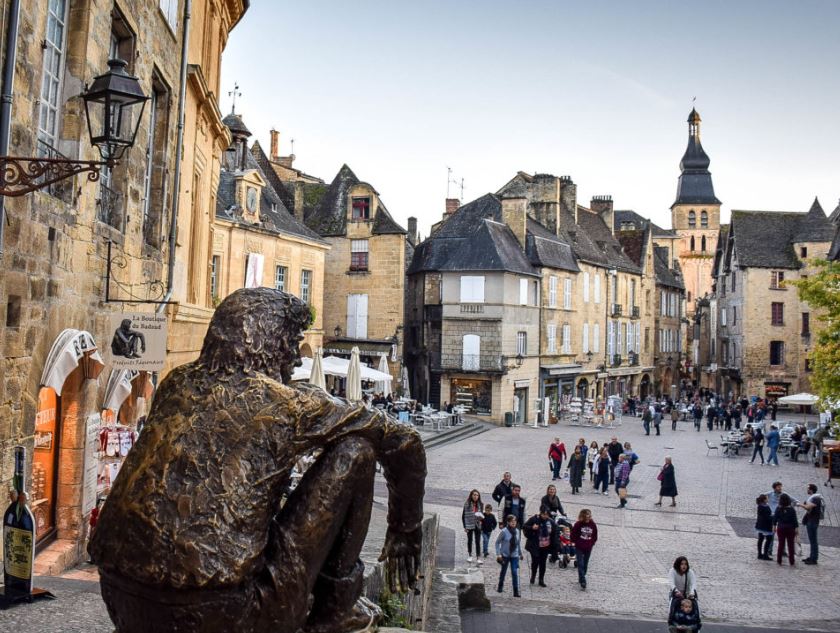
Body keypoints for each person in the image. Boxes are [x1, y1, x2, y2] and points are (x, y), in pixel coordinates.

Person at [89, 288, 425, 633]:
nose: (296, 360)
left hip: (122, 600)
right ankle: (334, 610)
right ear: (272, 344)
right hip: (225, 615)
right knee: (358, 452)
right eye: (292, 344)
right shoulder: (285, 406)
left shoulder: (176, 383)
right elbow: (405, 440)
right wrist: (406, 529)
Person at [524, 507, 556, 587]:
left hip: (545, 546)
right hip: (535, 545)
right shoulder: (534, 519)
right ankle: (533, 576)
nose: (545, 516)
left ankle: (541, 579)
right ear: (540, 513)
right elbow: (524, 526)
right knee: (535, 562)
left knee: (543, 563)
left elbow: (554, 534)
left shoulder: (551, 522)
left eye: (547, 515)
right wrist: (532, 528)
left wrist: (555, 547)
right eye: (544, 514)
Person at [570, 509, 597, 590]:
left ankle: (581, 575)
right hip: (579, 547)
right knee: (580, 563)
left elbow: (595, 535)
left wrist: (592, 543)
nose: (588, 517)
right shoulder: (578, 524)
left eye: (589, 515)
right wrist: (575, 542)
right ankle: (583, 580)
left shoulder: (593, 524)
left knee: (585, 564)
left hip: (588, 547)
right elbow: (573, 533)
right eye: (587, 515)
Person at [495, 515, 522, 597]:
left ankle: (515, 591)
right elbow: (497, 543)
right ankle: (500, 586)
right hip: (505, 555)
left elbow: (518, 543)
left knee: (514, 572)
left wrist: (520, 553)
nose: (514, 522)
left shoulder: (517, 531)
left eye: (515, 521)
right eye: (512, 521)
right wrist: (498, 554)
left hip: (514, 555)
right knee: (503, 571)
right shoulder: (504, 531)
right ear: (508, 522)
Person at [799, 483, 823, 565]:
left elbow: (808, 507)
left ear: (811, 490)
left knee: (813, 541)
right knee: (812, 540)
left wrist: (800, 504)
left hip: (813, 522)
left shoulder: (816, 498)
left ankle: (814, 559)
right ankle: (812, 556)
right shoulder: (813, 497)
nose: (807, 490)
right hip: (811, 521)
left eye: (808, 488)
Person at [773, 493, 798, 566]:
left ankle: (779, 560)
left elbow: (775, 518)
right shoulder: (792, 509)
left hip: (781, 528)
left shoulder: (778, 508)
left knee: (781, 544)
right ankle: (791, 561)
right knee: (791, 545)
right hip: (790, 528)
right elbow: (795, 520)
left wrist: (774, 526)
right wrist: (796, 528)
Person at [462, 489, 484, 564]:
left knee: (478, 541)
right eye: (474, 495)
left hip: (478, 524)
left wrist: (481, 520)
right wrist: (465, 526)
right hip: (469, 524)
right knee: (470, 540)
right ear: (471, 495)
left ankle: (478, 557)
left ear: (479, 496)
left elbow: (482, 514)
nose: (475, 496)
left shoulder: (481, 504)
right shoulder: (467, 504)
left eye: (477, 495)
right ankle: (470, 555)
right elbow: (463, 516)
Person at [755, 494, 773, 560]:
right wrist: (773, 517)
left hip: (760, 525)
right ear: (764, 500)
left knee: (761, 539)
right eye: (767, 498)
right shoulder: (764, 507)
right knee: (768, 539)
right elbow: (767, 517)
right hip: (766, 526)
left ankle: (760, 554)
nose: (768, 499)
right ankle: (765, 554)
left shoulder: (760, 506)